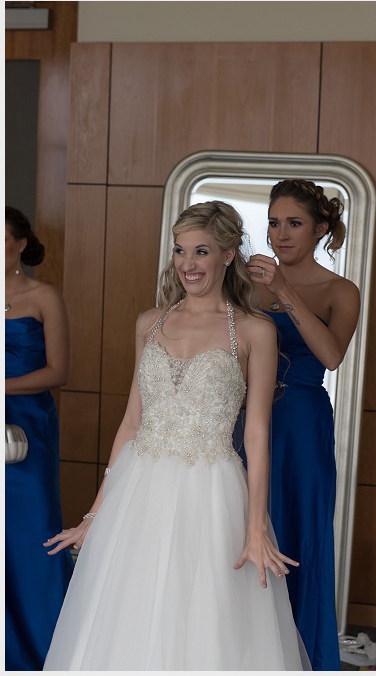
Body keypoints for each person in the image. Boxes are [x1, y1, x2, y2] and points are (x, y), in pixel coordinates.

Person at [43, 201, 306, 669]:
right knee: (128, 616)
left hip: (211, 491)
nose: (187, 264)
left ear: (228, 255)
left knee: (206, 622)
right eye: (180, 251)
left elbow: (257, 435)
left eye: (201, 251)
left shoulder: (255, 331)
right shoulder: (150, 323)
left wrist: (254, 527)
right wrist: (95, 514)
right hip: (138, 490)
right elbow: (132, 423)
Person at [245, 179, 360, 670]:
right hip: (245, 418)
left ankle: (298, 656)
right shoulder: (243, 285)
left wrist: (284, 290)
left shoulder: (340, 290)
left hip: (302, 425)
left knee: (296, 531)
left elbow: (332, 356)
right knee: (241, 522)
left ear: (319, 230)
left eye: (293, 223)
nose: (280, 234)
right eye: (274, 223)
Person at [5, 207, 73, 670]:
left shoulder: (43, 295)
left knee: (32, 531)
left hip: (28, 426)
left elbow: (58, 371)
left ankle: (47, 651)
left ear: (21, 244)